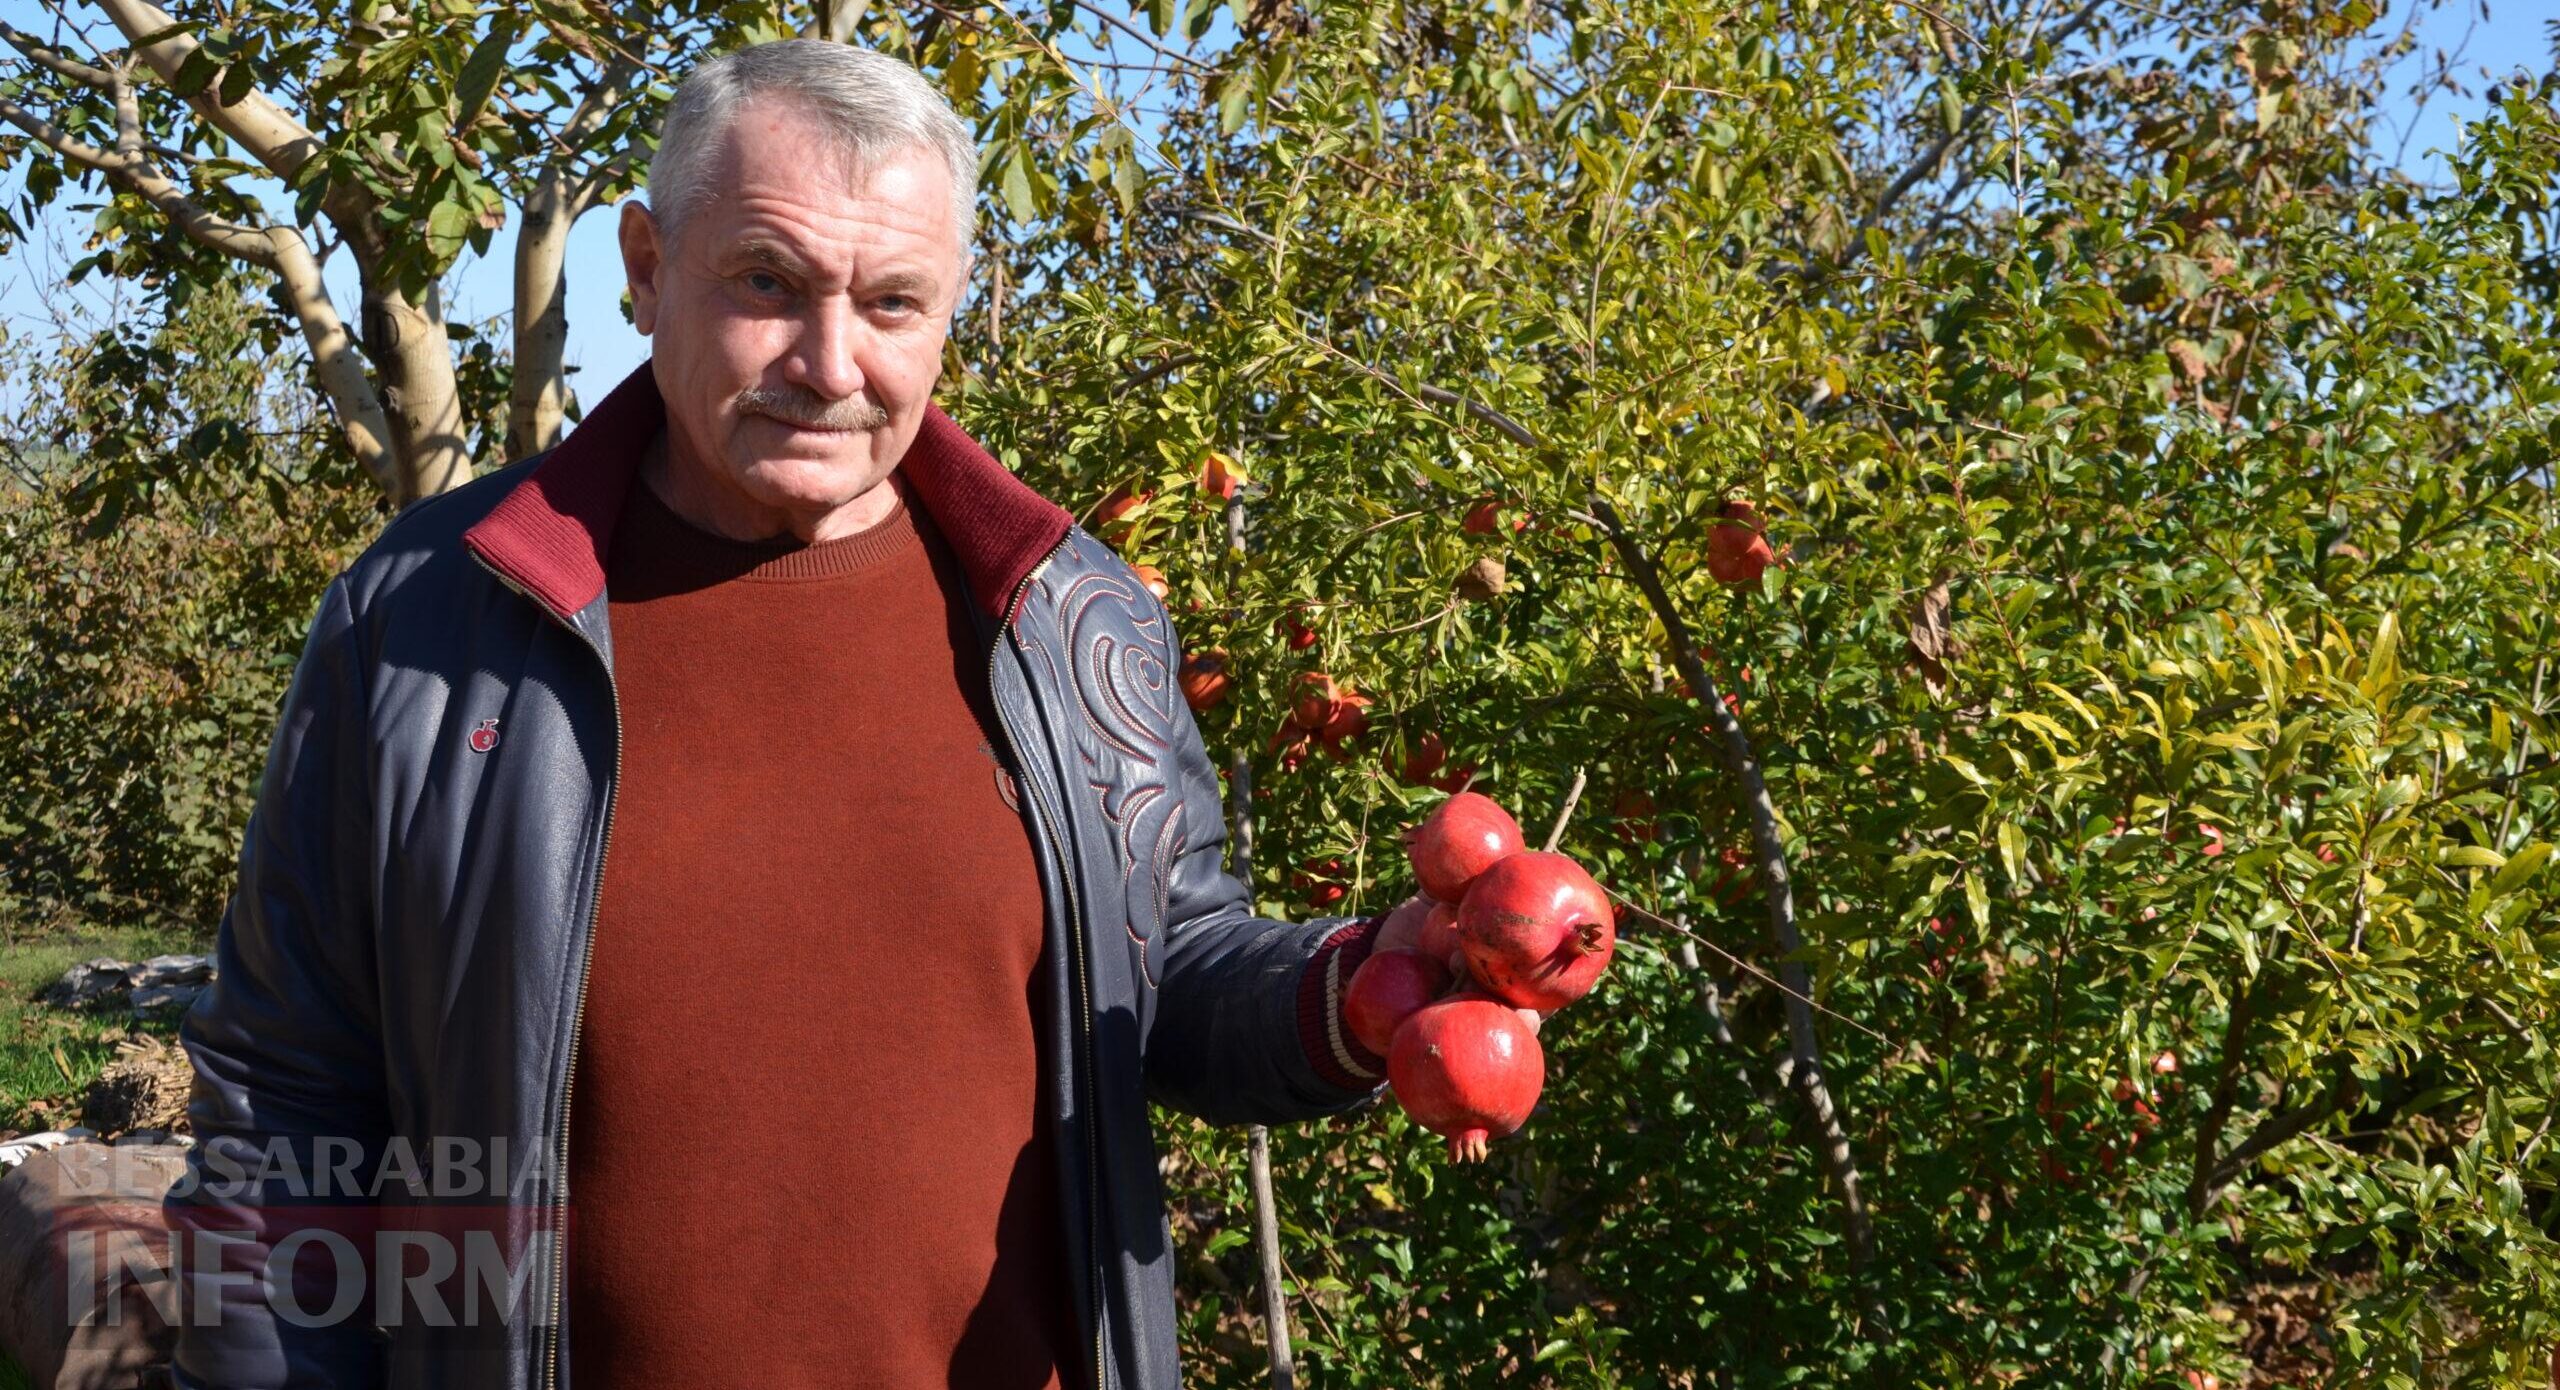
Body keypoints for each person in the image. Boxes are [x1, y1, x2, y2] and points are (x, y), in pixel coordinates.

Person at [167, 39, 1396, 1390]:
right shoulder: (427, 626)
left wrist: (1359, 992)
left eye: (892, 303)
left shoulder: (1063, 618)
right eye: (768, 282)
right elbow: (282, 1111)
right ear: (644, 266)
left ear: (951, 310)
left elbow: (1169, 966)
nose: (831, 361)